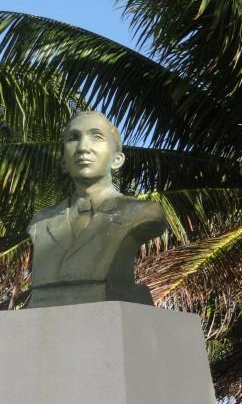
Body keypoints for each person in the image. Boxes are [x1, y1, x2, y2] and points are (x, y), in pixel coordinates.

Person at [27, 111, 166, 308]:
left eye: (97, 137)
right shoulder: (41, 222)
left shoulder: (143, 212)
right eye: (74, 138)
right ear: (63, 162)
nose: (83, 148)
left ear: (117, 159)